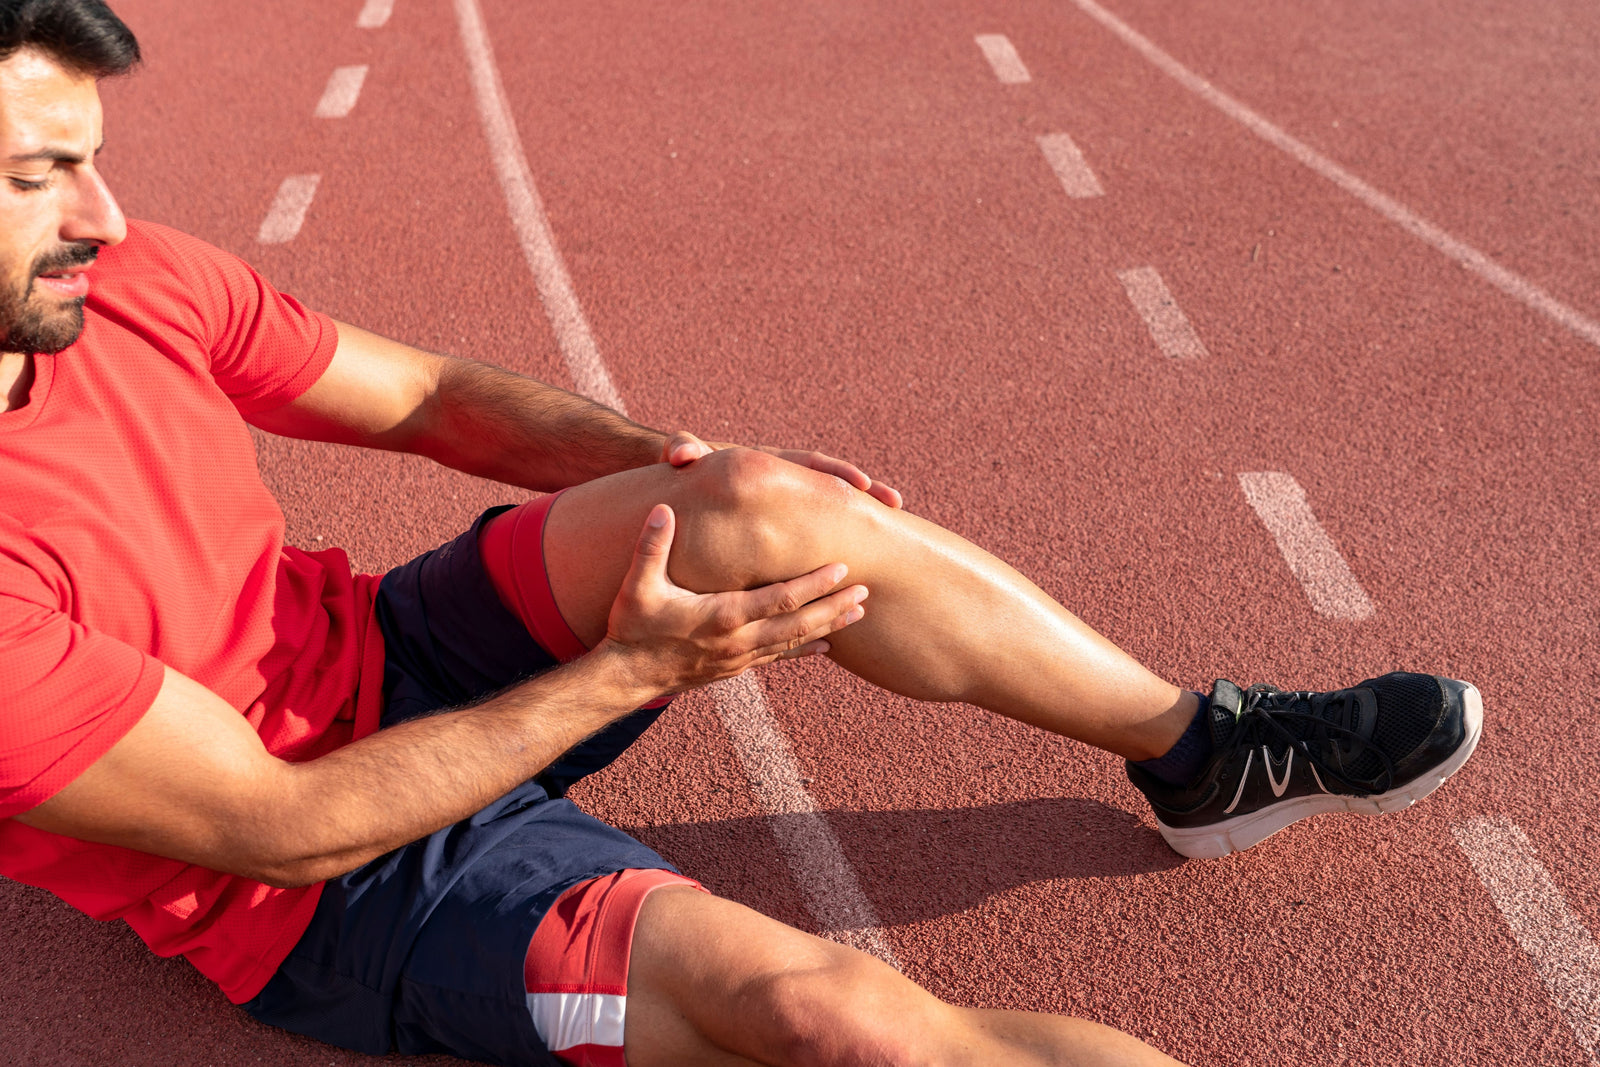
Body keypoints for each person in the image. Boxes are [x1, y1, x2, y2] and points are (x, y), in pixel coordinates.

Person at [0, 2, 1482, 1064]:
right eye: (35, 177)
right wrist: (636, 668)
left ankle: (1200, 749)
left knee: (769, 509)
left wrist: (683, 470)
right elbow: (284, 822)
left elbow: (432, 397)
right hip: (311, 886)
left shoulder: (127, 287)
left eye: (91, 157)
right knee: (835, 1028)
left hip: (386, 653)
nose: (106, 218)